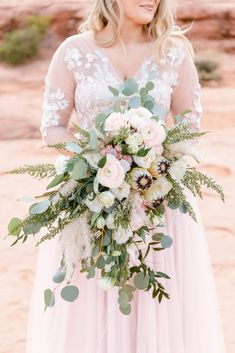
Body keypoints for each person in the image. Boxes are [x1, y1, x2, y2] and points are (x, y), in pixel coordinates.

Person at [26, 1, 227, 352]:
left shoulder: (174, 52)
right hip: (89, 198)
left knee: (154, 301)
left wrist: (150, 160)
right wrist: (95, 161)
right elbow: (53, 128)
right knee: (89, 295)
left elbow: (188, 125)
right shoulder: (73, 52)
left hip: (158, 200)